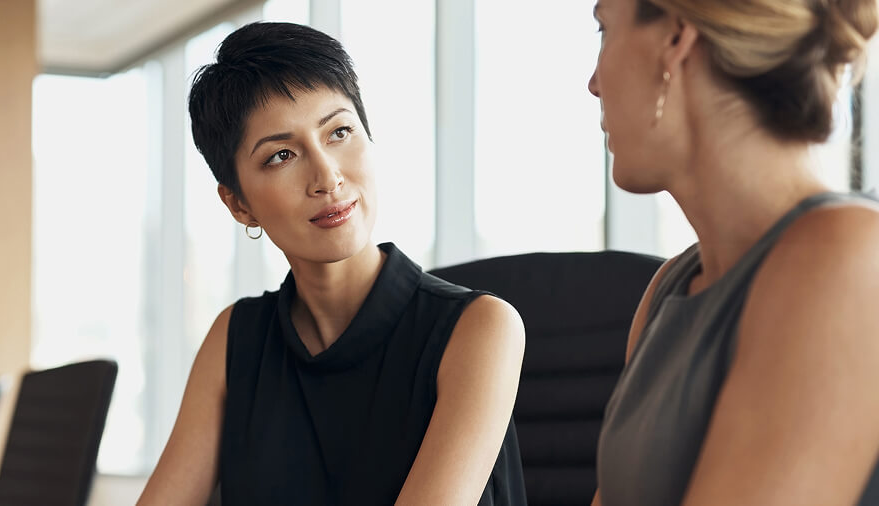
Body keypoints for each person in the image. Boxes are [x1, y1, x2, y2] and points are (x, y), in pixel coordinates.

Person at [136, 21, 527, 506]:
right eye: (282, 155)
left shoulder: (481, 328)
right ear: (239, 204)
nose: (327, 176)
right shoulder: (235, 339)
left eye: (339, 132)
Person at [588, 0, 879, 505]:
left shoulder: (847, 258)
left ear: (676, 39)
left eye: (603, 29)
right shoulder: (667, 291)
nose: (593, 83)